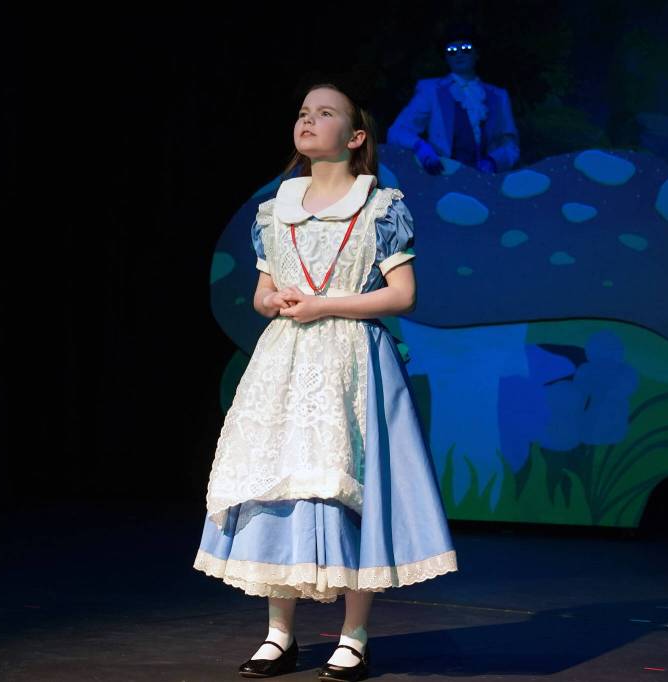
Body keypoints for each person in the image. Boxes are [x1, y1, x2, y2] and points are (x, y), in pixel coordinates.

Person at [193, 82, 459, 680]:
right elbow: (264, 292)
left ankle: (354, 635)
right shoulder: (273, 210)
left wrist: (326, 304)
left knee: (350, 486)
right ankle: (278, 633)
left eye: (326, 113)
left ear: (356, 136)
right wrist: (276, 299)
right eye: (303, 113)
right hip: (285, 362)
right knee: (278, 483)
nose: (309, 120)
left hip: (351, 361)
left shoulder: (381, 208)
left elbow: (403, 294)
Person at [387, 22, 520, 174]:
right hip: (444, 178)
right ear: (446, 57)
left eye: (466, 49)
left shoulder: (498, 96)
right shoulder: (431, 91)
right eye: (451, 51)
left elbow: (511, 146)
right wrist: (420, 147)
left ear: (477, 54)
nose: (459, 54)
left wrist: (494, 162)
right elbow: (398, 131)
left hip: (489, 181)